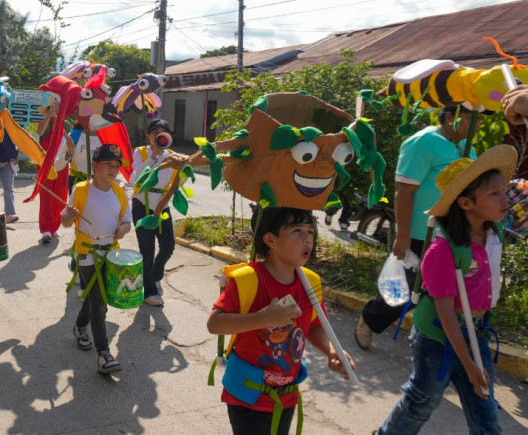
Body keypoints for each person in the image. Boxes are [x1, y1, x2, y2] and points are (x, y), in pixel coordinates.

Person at [376, 145, 514, 434]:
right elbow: (446, 313)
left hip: (476, 331)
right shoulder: (442, 250)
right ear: (465, 203)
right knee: (423, 402)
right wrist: (469, 365)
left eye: (504, 191)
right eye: (494, 193)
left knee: (486, 410)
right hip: (437, 336)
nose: (505, 199)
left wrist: (474, 363)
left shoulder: (495, 232)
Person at [207, 207, 355, 435]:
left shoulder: (310, 283)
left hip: (287, 393)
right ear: (270, 240)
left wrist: (332, 351)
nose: (308, 237)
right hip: (249, 396)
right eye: (297, 230)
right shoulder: (249, 279)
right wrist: (263, 318)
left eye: (310, 230)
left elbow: (315, 325)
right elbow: (215, 324)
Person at [355, 105, 479, 350]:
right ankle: (370, 319)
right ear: (450, 117)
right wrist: (402, 237)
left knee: (443, 292)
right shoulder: (423, 142)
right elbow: (404, 192)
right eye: (469, 118)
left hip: (452, 234)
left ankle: (431, 342)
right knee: (407, 291)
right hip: (420, 234)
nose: (476, 125)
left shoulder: (468, 149)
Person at [61, 144, 132, 374]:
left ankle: (80, 326)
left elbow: (127, 221)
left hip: (111, 254)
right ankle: (104, 354)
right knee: (99, 304)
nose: (113, 169)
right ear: (95, 166)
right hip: (87, 254)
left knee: (96, 298)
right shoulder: (81, 190)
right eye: (107, 164)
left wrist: (123, 229)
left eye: (116, 165)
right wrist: (70, 217)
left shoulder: (120, 193)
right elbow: (65, 221)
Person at [131, 119, 178, 306]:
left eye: (163, 132)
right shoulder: (141, 152)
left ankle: (155, 274)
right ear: (148, 136)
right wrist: (152, 158)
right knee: (147, 249)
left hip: (162, 205)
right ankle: (150, 291)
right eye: (155, 132)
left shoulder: (173, 156)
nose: (159, 135)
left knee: (168, 245)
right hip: (142, 203)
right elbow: (135, 179)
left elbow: (177, 182)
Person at [37, 99, 74, 244]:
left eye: (59, 107)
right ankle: (45, 229)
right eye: (54, 107)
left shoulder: (65, 124)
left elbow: (69, 142)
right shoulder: (43, 123)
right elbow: (39, 133)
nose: (57, 109)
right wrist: (49, 117)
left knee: (60, 194)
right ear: (48, 109)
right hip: (45, 163)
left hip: (61, 163)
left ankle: (54, 225)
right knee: (46, 196)